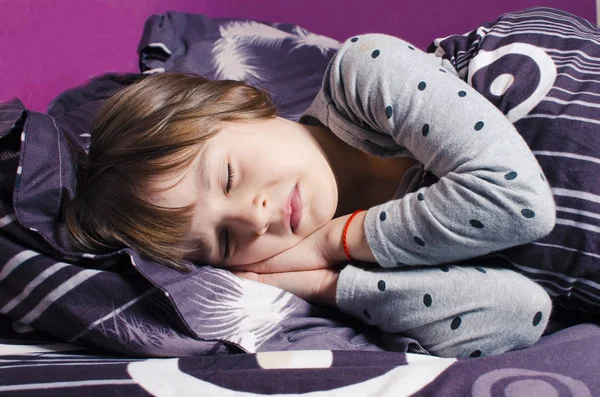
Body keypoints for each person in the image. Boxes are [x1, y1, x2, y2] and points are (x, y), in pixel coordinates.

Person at [63, 33, 555, 358]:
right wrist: (326, 285)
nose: (253, 220)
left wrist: (326, 245)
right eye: (227, 241)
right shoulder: (371, 261)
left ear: (242, 103)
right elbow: (521, 315)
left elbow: (519, 206)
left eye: (229, 177)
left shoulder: (364, 73)